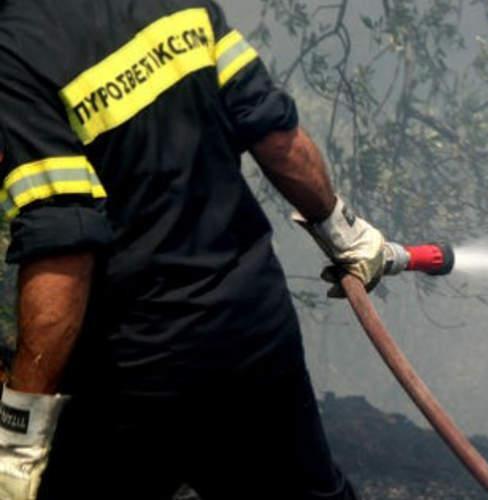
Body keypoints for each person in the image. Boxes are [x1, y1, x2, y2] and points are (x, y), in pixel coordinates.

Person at [0, 1, 386, 498]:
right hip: (255, 330)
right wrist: (342, 229)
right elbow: (273, 133)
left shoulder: (17, 53)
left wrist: (18, 437)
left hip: (136, 375)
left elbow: (63, 242)